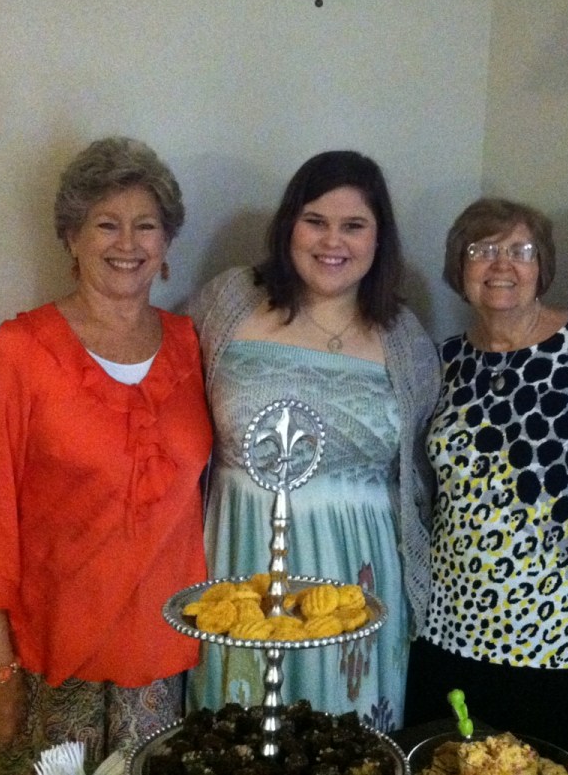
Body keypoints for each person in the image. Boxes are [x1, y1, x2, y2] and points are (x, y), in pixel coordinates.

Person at [0, 137, 212, 774]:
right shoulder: (22, 349)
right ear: (71, 238)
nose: (128, 243)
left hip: (164, 657)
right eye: (106, 224)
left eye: (146, 225)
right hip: (54, 658)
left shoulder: (190, 343)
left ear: (167, 242)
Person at [184, 150, 440, 732]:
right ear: (288, 227)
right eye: (315, 221)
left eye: (354, 225)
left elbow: (420, 474)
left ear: (379, 239)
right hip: (239, 554)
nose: (333, 241)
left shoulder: (403, 336)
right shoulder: (229, 303)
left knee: (342, 744)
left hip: (359, 569)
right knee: (236, 740)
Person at [404, 198, 568, 775]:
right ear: (459, 266)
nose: (502, 264)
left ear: (542, 266)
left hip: (557, 627)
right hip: (448, 622)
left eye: (521, 250)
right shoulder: (441, 361)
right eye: (483, 250)